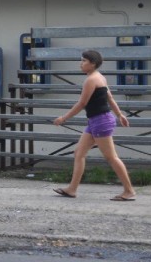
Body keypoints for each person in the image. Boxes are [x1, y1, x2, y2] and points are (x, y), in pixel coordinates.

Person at [52, 50, 136, 201]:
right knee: (78, 153)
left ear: (93, 64)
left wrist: (63, 118)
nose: (81, 63)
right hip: (96, 121)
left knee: (111, 157)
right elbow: (109, 97)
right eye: (81, 60)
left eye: (84, 61)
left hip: (101, 121)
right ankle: (72, 189)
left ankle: (129, 191)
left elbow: (82, 103)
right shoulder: (99, 77)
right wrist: (119, 115)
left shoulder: (91, 80)